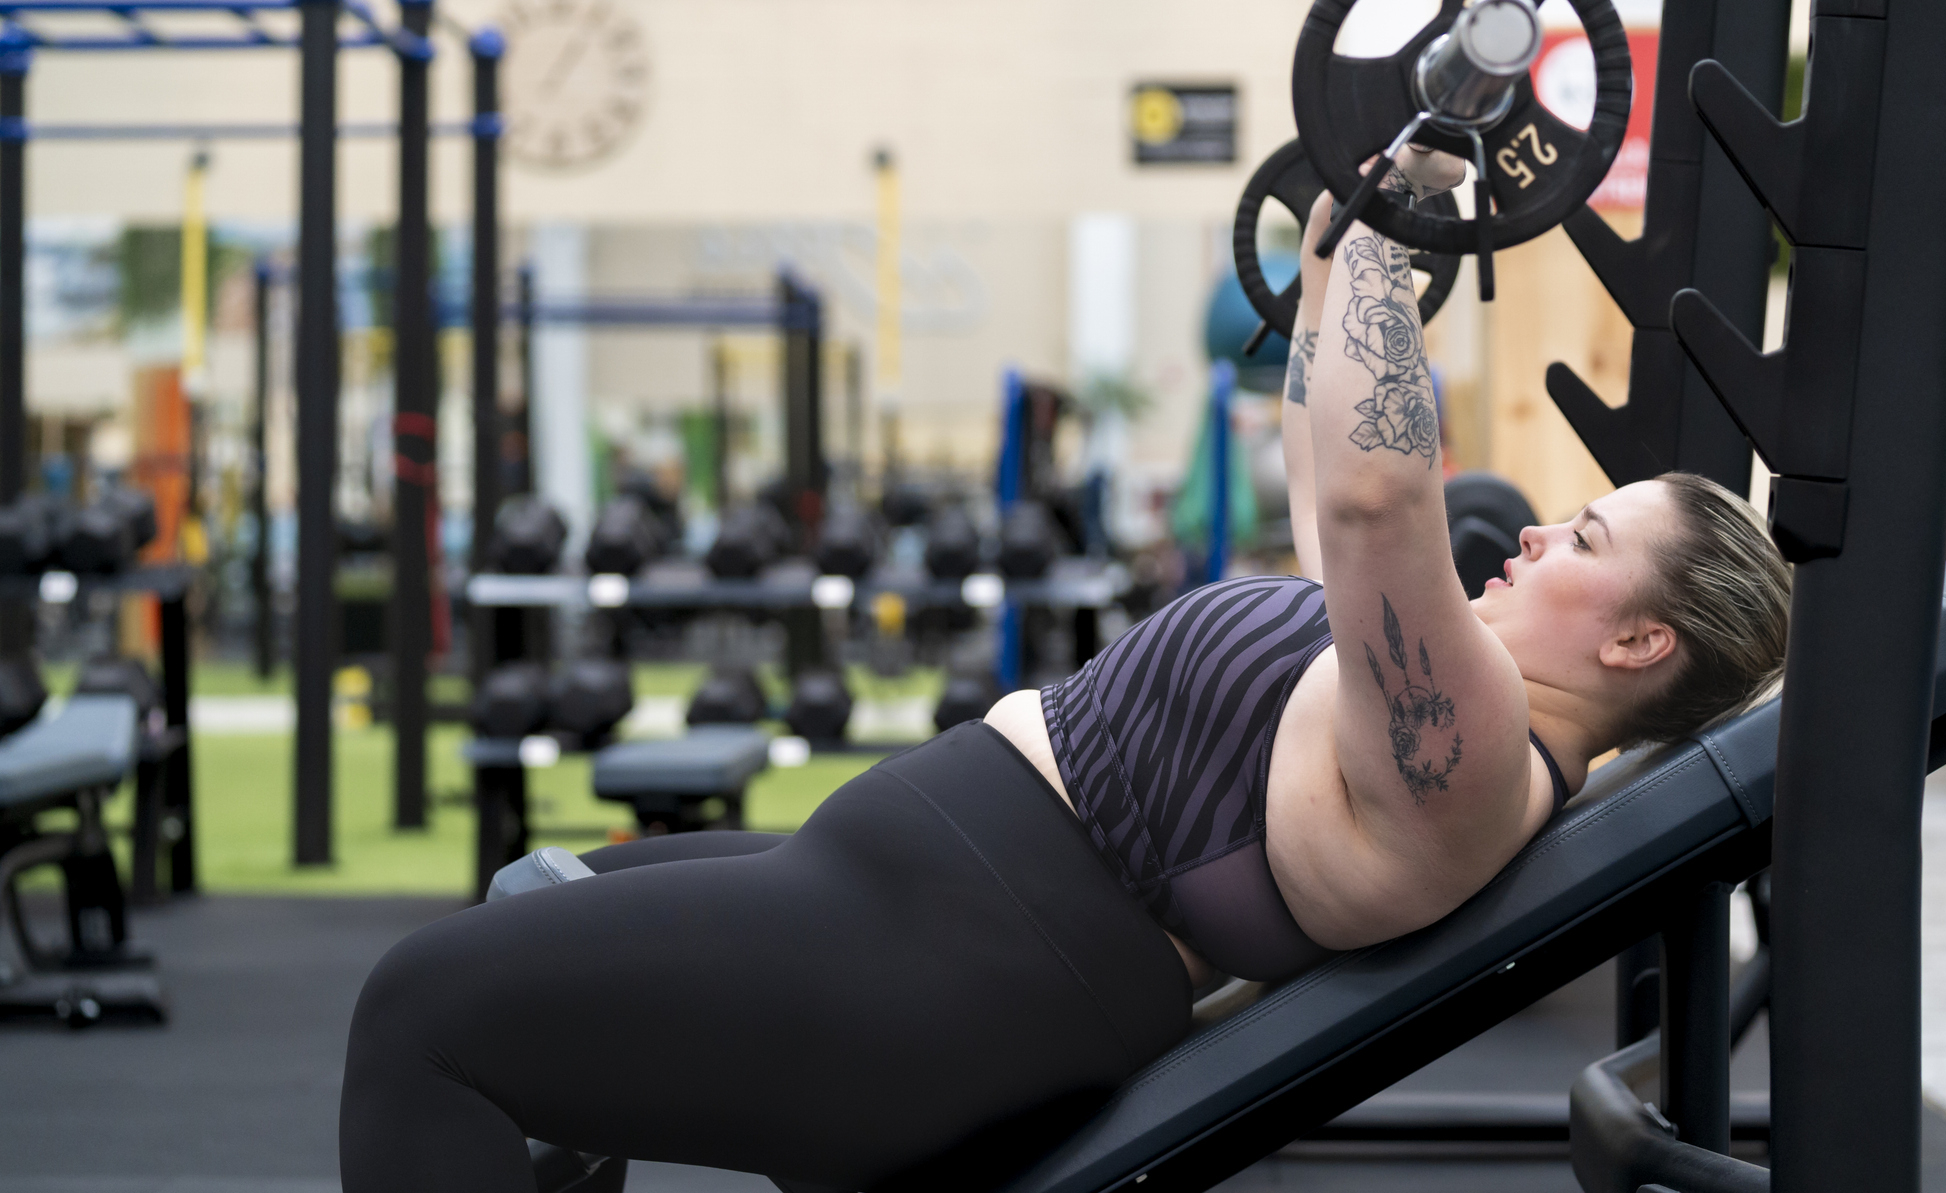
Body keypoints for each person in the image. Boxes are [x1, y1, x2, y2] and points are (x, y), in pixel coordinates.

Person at [337, 146, 1790, 1193]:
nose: (1539, 531)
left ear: (1636, 640)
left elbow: (1370, 498)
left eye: (1587, 534)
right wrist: (1351, 237)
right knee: (542, 909)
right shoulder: (1437, 679)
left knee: (428, 1017)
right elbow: (1321, 457)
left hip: (942, 972)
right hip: (904, 907)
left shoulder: (1472, 754)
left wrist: (1397, 253)